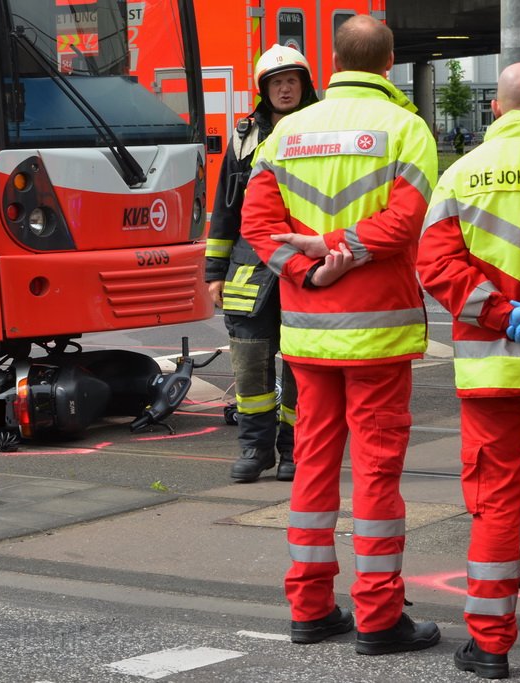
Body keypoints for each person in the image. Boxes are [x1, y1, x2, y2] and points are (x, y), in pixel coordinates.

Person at [240, 15, 441, 653]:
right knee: (377, 476)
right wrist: (345, 250)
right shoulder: (407, 129)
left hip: (306, 335)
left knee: (312, 473)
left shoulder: (287, 133)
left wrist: (308, 266)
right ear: (388, 63)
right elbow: (405, 222)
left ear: (332, 60)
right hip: (378, 335)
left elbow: (257, 222)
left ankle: (310, 608)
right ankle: (380, 618)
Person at [417, 62, 520, 681]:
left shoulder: (461, 174)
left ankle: (491, 647)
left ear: (496, 112)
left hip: (491, 374)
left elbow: (436, 265)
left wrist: (503, 315)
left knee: (496, 507)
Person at [206, 44, 317, 484]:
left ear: (305, 86)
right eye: (276, 82)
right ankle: (254, 448)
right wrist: (215, 271)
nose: (285, 89)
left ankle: (293, 450)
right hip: (248, 265)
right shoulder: (244, 135)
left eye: (291, 81)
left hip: (301, 262)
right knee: (249, 361)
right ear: (263, 89)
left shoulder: (320, 127)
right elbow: (224, 206)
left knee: (299, 363)